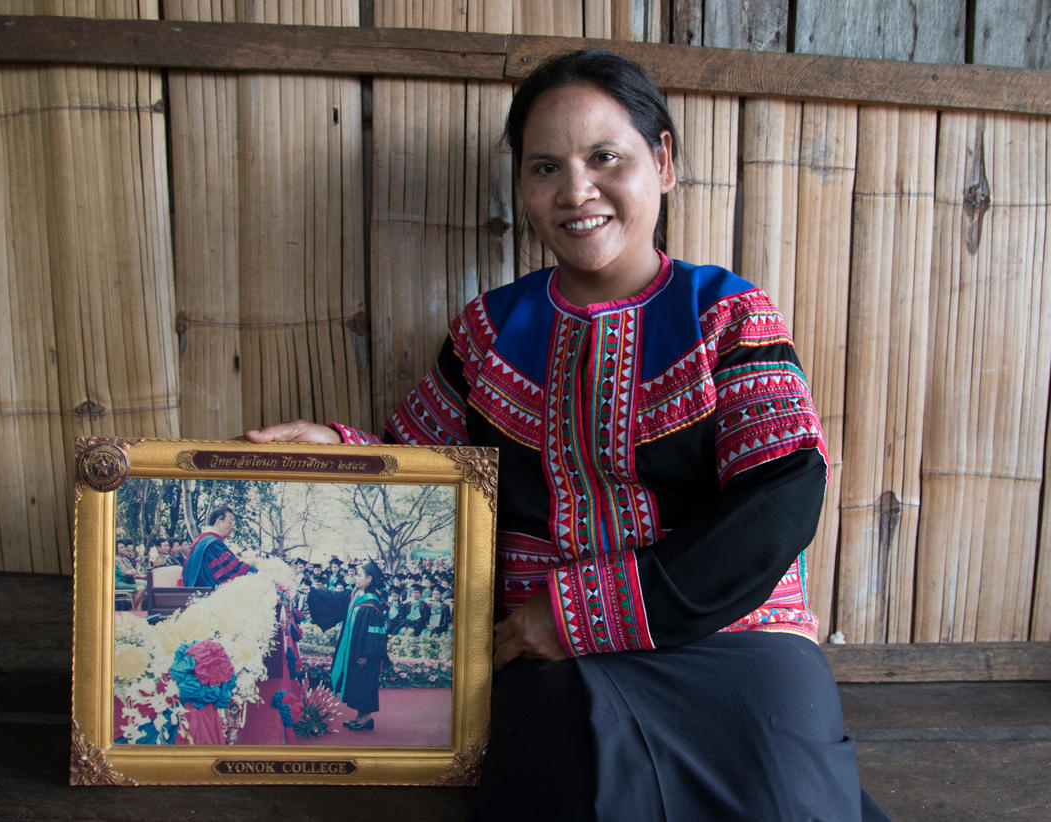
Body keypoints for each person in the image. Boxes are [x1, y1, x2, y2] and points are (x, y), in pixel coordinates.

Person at [246, 49, 886, 821]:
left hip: (737, 640)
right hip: (543, 657)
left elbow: (781, 499)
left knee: (791, 804)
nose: (576, 191)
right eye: (545, 167)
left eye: (605, 157)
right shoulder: (489, 331)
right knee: (580, 793)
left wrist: (580, 613)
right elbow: (426, 475)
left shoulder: (728, 314)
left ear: (664, 160)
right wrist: (339, 451)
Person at [305, 560, 391, 731]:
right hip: (354, 651)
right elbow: (334, 598)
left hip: (365, 655)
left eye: (359, 575)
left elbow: (375, 634)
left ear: (369, 579)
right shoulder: (356, 595)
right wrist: (311, 592)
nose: (355, 578)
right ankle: (360, 716)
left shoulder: (372, 605)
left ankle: (366, 718)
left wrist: (366, 655)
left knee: (365, 684)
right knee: (357, 683)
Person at [182, 506, 256, 589]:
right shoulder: (212, 544)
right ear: (218, 522)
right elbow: (233, 570)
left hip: (198, 591)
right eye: (230, 522)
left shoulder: (202, 541)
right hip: (207, 594)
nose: (233, 527)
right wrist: (258, 572)